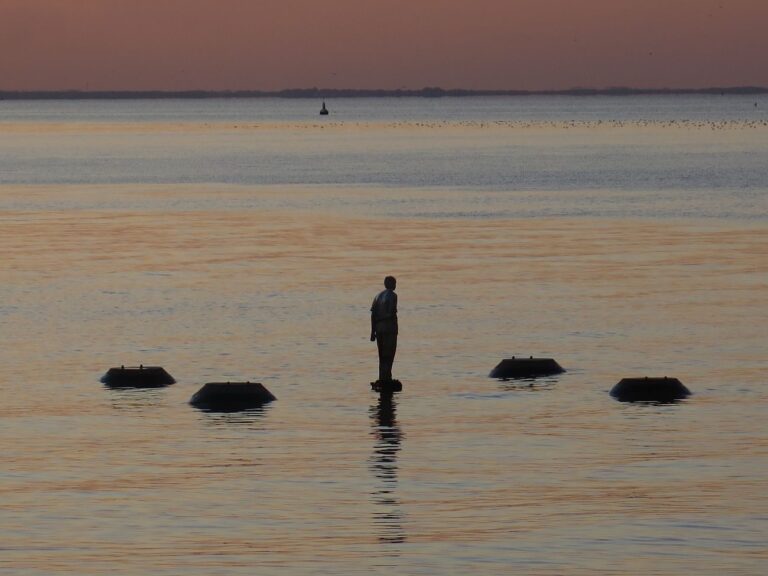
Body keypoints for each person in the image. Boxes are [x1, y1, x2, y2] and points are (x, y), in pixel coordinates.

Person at [370, 276, 398, 383]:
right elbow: (391, 313)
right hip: (389, 328)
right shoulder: (393, 295)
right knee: (389, 354)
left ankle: (382, 377)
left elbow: (373, 315)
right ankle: (387, 378)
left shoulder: (377, 296)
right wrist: (384, 318)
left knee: (381, 355)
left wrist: (373, 332)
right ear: (391, 284)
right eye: (395, 283)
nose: (395, 285)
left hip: (379, 329)